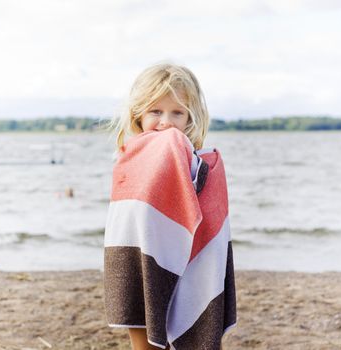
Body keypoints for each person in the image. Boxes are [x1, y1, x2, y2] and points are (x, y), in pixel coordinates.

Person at [104, 62, 236, 350]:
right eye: (156, 111)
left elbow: (209, 214)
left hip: (187, 261)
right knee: (144, 336)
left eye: (177, 112)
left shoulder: (199, 161)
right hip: (138, 257)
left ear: (191, 116)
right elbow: (128, 218)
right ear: (137, 113)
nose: (166, 122)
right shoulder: (129, 157)